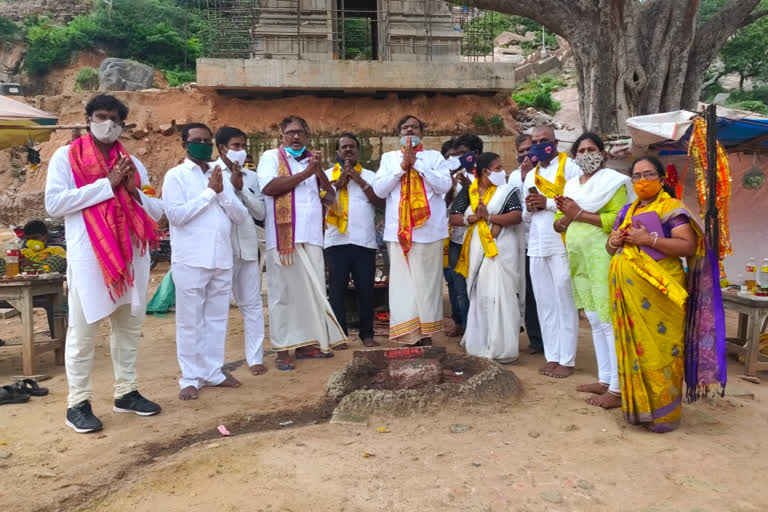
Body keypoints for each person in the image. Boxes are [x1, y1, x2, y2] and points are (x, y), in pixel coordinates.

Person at [45, 94, 163, 433]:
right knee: (82, 333)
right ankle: (77, 403)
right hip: (90, 257)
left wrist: (133, 190)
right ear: (88, 119)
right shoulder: (65, 157)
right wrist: (106, 185)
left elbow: (156, 209)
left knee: (128, 329)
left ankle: (125, 392)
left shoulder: (134, 165)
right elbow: (54, 203)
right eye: (101, 116)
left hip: (131, 257)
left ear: (122, 124)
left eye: (114, 118)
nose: (107, 123)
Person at [606, 156, 725, 433]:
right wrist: (616, 240)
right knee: (636, 351)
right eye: (636, 176)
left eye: (648, 174)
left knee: (662, 351)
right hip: (629, 292)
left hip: (663, 293)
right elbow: (610, 248)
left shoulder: (673, 208)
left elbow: (687, 245)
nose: (642, 181)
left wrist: (649, 240)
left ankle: (664, 416)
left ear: (661, 179)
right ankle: (640, 410)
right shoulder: (626, 210)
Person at [163, 123, 249, 400]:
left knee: (216, 318)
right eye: (196, 140)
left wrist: (222, 191)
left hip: (221, 258)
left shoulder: (218, 173)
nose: (202, 144)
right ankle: (190, 377)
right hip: (190, 259)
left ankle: (213, 372)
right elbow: (176, 216)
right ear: (184, 144)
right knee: (190, 321)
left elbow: (240, 216)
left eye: (207, 140)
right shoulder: (175, 176)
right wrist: (209, 193)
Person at [257, 115, 346, 370]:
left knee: (312, 293)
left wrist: (317, 171)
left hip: (313, 237)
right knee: (284, 295)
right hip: (283, 240)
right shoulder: (270, 158)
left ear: (307, 135)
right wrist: (306, 172)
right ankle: (283, 349)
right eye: (291, 132)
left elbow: (330, 198)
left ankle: (308, 344)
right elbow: (270, 187)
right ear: (282, 135)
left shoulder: (313, 161)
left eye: (301, 133)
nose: (296, 137)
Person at [553, 133, 634, 408]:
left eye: (592, 149)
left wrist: (578, 214)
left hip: (603, 256)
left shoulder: (613, 183)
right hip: (578, 258)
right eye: (582, 150)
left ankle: (618, 388)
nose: (587, 154)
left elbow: (618, 219)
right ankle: (605, 379)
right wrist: (567, 216)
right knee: (594, 319)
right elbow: (557, 222)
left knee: (608, 321)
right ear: (575, 156)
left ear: (602, 153)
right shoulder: (571, 184)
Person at [373, 115, 456, 345]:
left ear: (423, 132)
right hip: (399, 233)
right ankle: (407, 335)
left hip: (428, 232)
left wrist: (416, 164)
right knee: (402, 284)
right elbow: (379, 191)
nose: (409, 130)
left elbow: (444, 185)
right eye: (405, 127)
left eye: (414, 127)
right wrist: (401, 168)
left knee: (427, 284)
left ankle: (426, 334)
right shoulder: (389, 158)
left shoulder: (434, 157)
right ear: (398, 133)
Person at [450, 152, 525, 363]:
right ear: (485, 172)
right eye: (499, 168)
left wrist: (491, 218)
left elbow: (517, 215)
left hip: (502, 249)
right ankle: (481, 343)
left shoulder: (507, 190)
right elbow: (454, 217)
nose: (503, 172)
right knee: (480, 294)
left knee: (502, 294)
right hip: (476, 247)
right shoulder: (469, 191)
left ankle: (503, 348)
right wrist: (471, 218)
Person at [523, 124, 582, 378]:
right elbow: (526, 217)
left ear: (555, 142)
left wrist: (547, 204)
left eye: (543, 140)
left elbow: (579, 205)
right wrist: (531, 206)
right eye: (534, 140)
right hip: (536, 244)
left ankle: (567, 360)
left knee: (564, 301)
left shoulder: (570, 167)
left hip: (561, 243)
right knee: (544, 303)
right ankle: (553, 355)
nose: (538, 144)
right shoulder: (529, 175)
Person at [213, 126, 268, 376]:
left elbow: (261, 213)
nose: (241, 151)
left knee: (253, 305)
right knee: (217, 309)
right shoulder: (208, 173)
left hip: (247, 247)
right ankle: (212, 365)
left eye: (243, 145)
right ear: (222, 148)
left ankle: (255, 357)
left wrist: (241, 188)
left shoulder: (251, 177)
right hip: (221, 251)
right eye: (236, 146)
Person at [325, 132, 385, 348]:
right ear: (338, 152)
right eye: (344, 147)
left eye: (352, 146)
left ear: (358, 151)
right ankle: (339, 336)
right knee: (337, 290)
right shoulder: (326, 174)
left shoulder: (370, 174)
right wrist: (339, 183)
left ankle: (367, 335)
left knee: (366, 290)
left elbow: (379, 201)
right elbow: (322, 200)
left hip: (364, 242)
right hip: (335, 241)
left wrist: (358, 180)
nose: (348, 150)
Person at [442, 134, 482, 338]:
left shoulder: (485, 175)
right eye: (456, 154)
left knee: (478, 288)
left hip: (478, 240)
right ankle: (468, 332)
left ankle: (480, 332)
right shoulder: (453, 177)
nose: (459, 158)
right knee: (459, 289)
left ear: (475, 154)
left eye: (463, 153)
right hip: (457, 240)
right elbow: (446, 206)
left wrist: (469, 187)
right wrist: (451, 184)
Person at [507, 134, 544, 355]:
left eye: (529, 149)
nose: (526, 155)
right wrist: (523, 180)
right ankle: (536, 339)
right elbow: (517, 210)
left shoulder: (549, 173)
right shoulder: (513, 177)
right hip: (525, 242)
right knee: (529, 293)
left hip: (550, 241)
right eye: (521, 151)